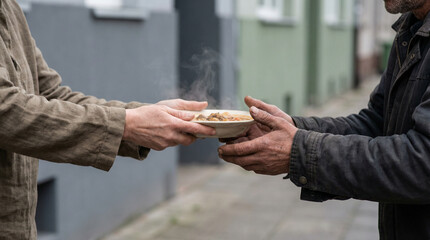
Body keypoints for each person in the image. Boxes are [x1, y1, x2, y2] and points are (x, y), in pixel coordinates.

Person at [0, 0, 215, 239]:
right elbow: (5, 110)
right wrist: (126, 124)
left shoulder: (10, 7)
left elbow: (51, 93)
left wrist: (143, 115)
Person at [218, 0, 430, 239]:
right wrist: (292, 128)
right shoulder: (411, 29)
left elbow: (422, 163)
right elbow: (376, 124)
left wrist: (297, 150)